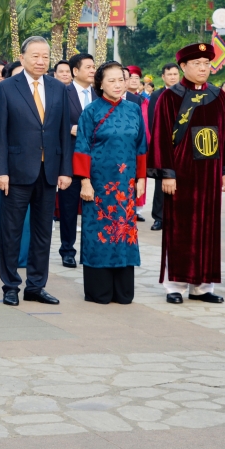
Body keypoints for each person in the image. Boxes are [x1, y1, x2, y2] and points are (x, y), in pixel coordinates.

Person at [149, 43, 225, 304]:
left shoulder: (217, 95)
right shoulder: (170, 97)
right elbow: (162, 138)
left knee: (208, 227)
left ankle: (202, 286)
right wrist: (168, 173)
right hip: (181, 174)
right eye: (197, 63)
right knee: (180, 228)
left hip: (209, 173)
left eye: (206, 63)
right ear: (183, 67)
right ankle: (175, 285)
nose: (203, 67)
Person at [0, 36, 72, 307]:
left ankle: (36, 285)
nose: (41, 61)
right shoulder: (6, 88)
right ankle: (10, 284)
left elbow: (63, 133)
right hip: (15, 172)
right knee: (11, 230)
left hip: (49, 172)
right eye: (35, 56)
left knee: (43, 231)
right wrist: (0, 170)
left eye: (45, 56)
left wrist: (65, 170)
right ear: (23, 57)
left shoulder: (58, 88)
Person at [72, 61, 145, 305]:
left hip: (126, 185)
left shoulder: (133, 110)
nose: (117, 84)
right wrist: (85, 182)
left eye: (121, 80)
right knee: (99, 235)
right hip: (99, 186)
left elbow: (141, 147)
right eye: (111, 80)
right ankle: (99, 291)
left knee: (125, 233)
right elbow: (82, 148)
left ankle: (123, 291)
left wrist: (142, 179)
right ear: (100, 83)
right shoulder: (91, 111)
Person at [60, 52, 96, 269]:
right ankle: (67, 250)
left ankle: (90, 249)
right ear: (75, 71)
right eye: (88, 67)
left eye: (94, 67)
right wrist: (69, 129)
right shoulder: (62, 93)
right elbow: (52, 124)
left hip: (95, 162)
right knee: (69, 208)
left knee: (93, 208)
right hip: (70, 160)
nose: (93, 70)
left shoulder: (99, 93)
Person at [149, 62, 181, 231]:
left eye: (175, 74)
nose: (173, 77)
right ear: (163, 77)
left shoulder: (187, 94)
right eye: (169, 74)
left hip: (182, 146)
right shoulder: (157, 95)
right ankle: (159, 217)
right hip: (164, 144)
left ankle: (178, 216)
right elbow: (153, 121)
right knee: (161, 182)